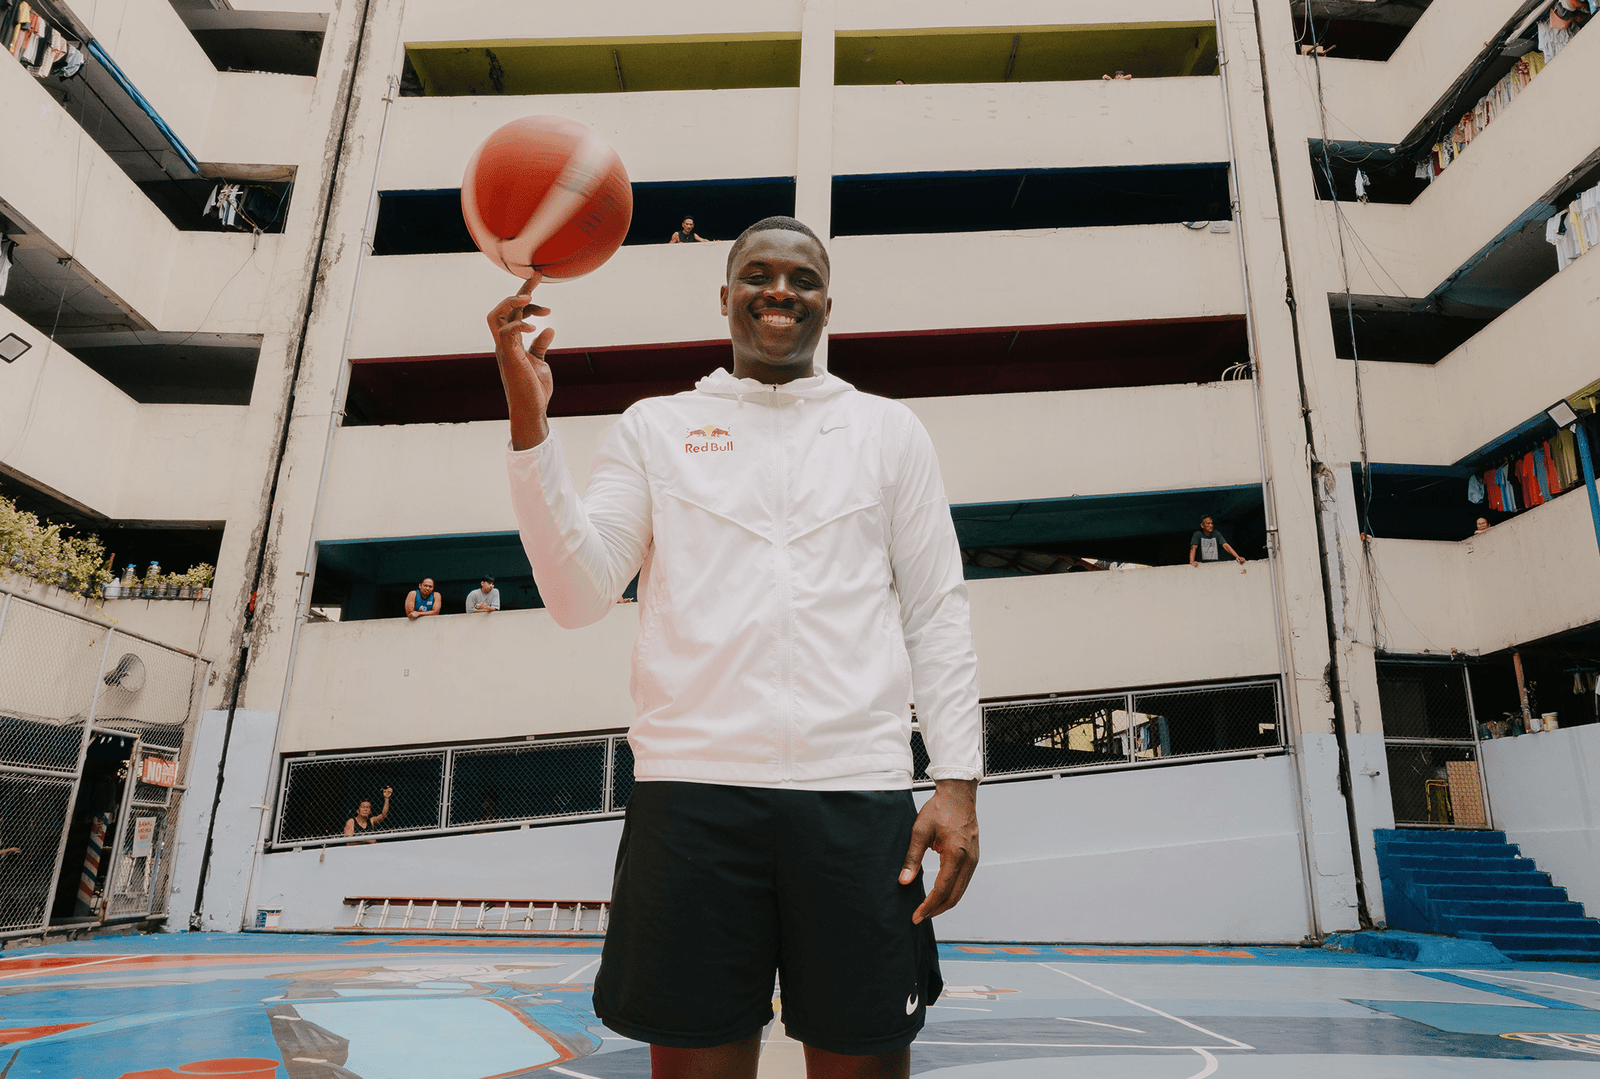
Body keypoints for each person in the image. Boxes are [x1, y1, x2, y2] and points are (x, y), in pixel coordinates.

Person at [491, 215, 981, 1079]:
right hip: (693, 802)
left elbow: (937, 611)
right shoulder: (656, 428)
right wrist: (531, 425)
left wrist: (956, 783)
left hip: (856, 798)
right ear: (725, 298)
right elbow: (576, 595)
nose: (780, 290)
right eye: (758, 274)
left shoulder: (888, 432)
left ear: (829, 302)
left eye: (802, 278)